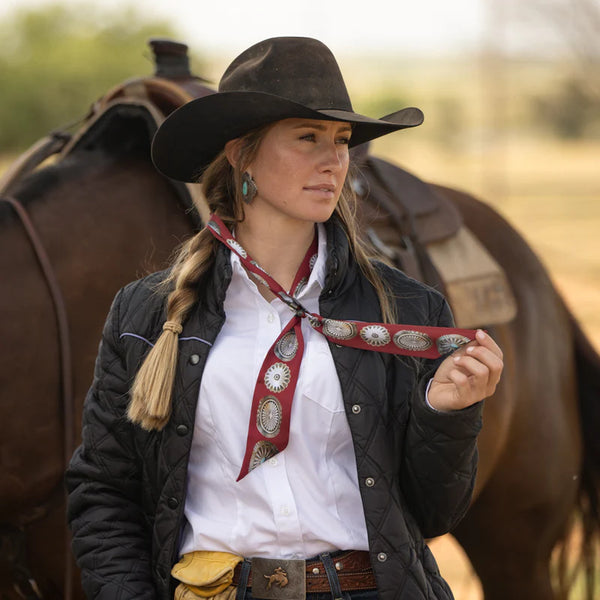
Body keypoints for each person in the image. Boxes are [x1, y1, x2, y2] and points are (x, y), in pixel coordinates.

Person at [66, 36, 503, 600]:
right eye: (307, 138)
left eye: (342, 141)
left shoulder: (407, 309)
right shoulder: (145, 313)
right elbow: (103, 491)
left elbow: (434, 513)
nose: (334, 160)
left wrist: (445, 415)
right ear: (240, 153)